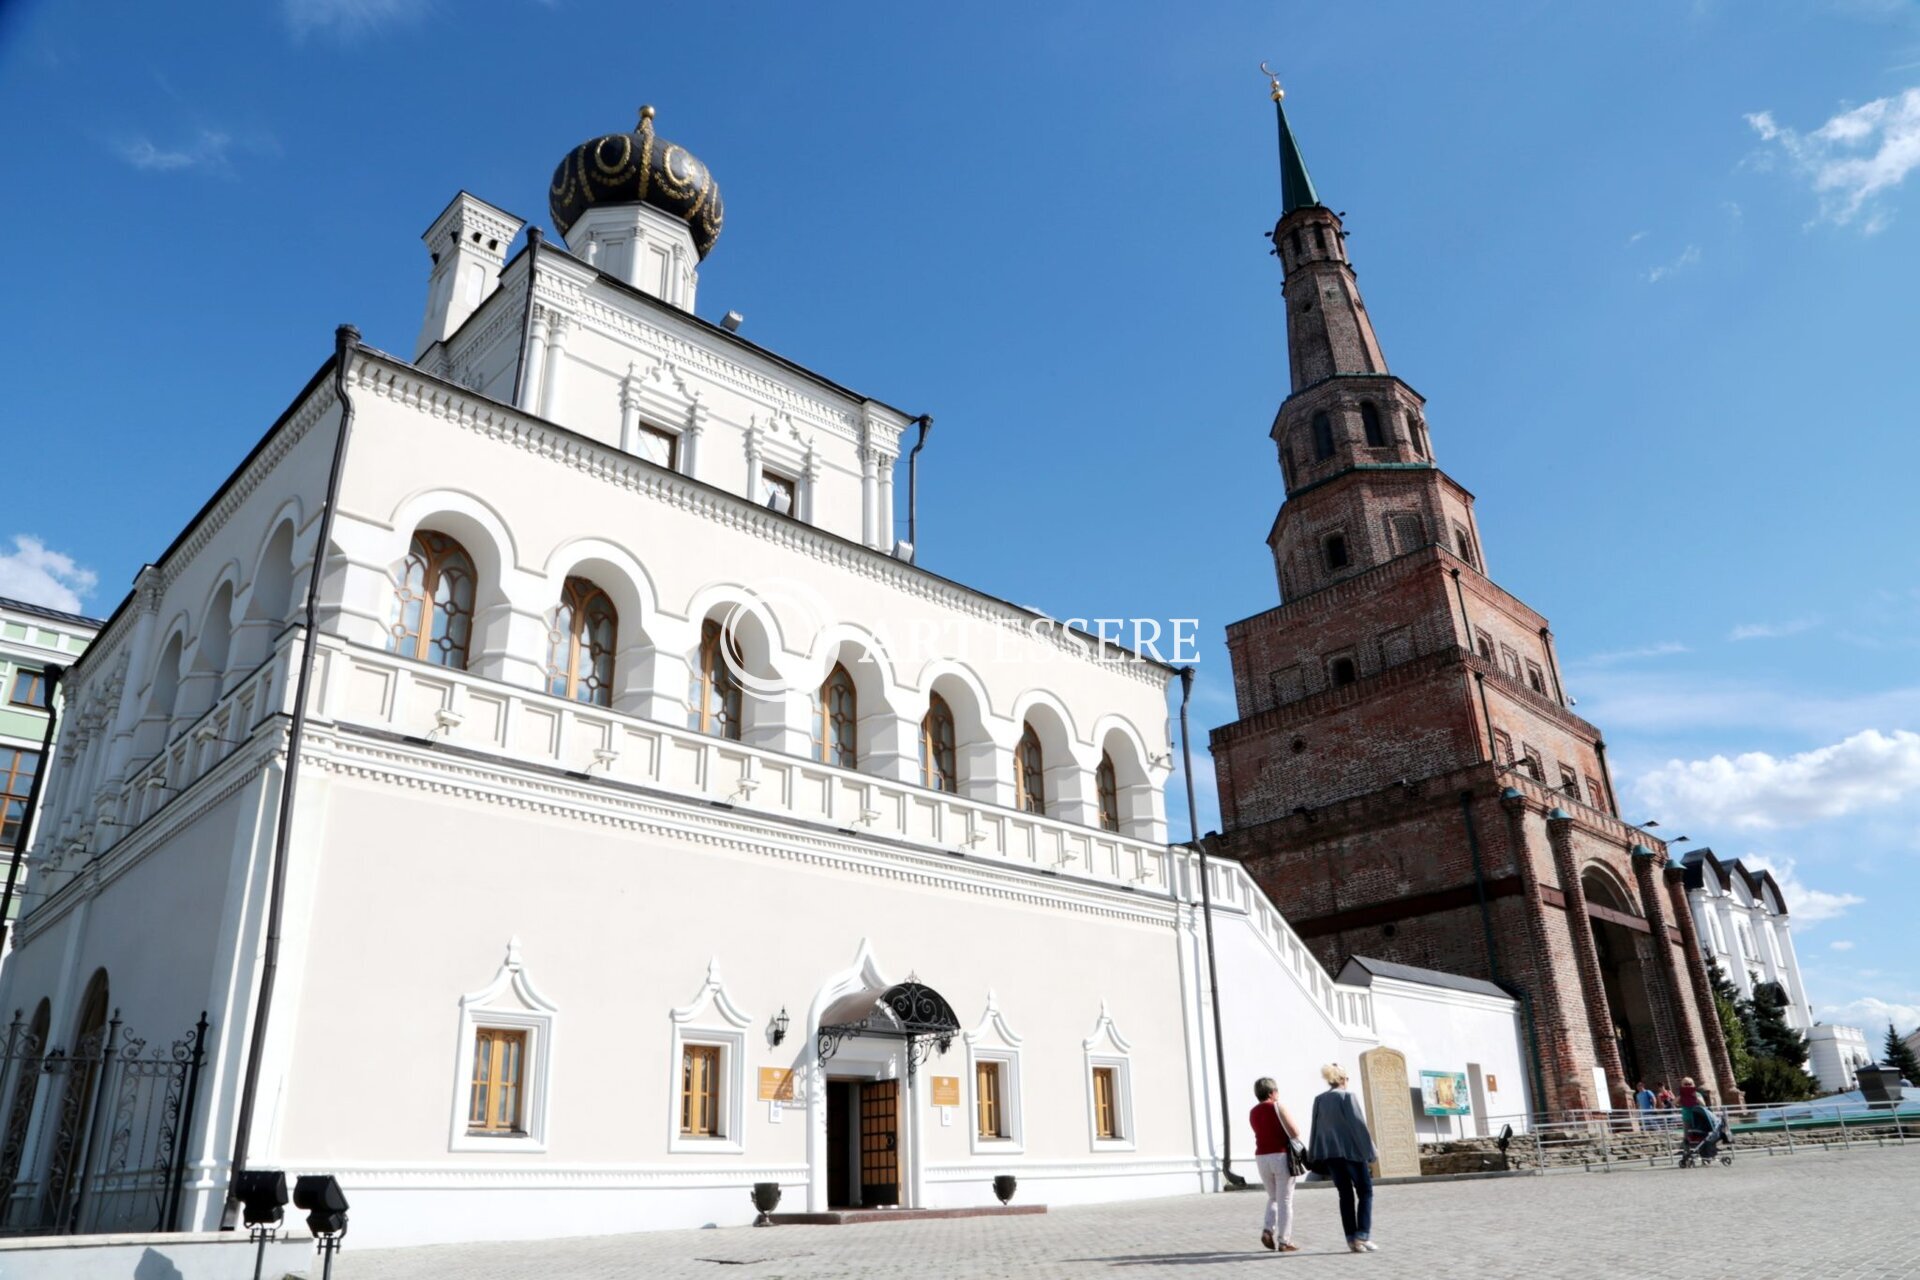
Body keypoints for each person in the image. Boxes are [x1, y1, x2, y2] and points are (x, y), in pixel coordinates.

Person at [1308, 1062, 1378, 1254]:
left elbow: (1316, 1127)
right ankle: (1362, 1234)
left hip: (1330, 1155)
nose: (1347, 1082)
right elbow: (1359, 1126)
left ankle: (1352, 1239)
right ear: (1341, 1079)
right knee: (1365, 1192)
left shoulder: (1320, 1100)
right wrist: (1371, 1152)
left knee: (1345, 1196)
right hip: (1352, 1153)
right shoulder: (1348, 1097)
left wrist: (1314, 1151)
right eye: (1347, 1078)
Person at [1249, 1077, 1305, 1253]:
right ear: (1272, 1092)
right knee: (1285, 1200)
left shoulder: (1253, 1111)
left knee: (1273, 1197)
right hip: (1280, 1155)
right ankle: (1284, 1241)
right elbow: (1295, 1132)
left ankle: (1268, 1229)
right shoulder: (1277, 1106)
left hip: (1261, 1157)